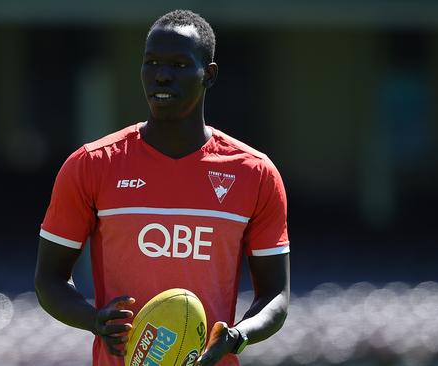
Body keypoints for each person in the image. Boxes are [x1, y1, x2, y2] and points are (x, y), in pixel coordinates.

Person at [34, 9, 290, 366]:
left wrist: (238, 336)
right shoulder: (92, 165)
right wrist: (94, 320)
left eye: (179, 65)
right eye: (151, 62)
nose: (162, 76)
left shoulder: (255, 173)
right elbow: (48, 279)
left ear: (209, 75)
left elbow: (276, 294)